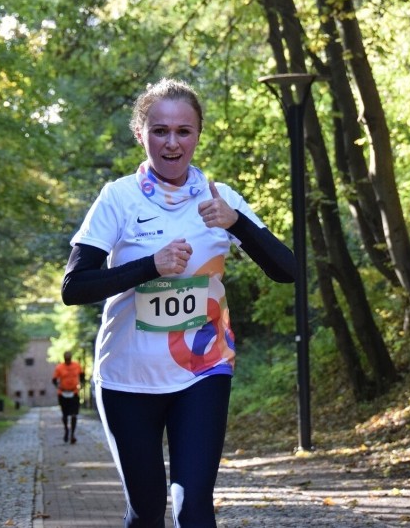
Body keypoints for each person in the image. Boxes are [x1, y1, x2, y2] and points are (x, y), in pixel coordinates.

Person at [61, 77, 295, 528]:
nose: (172, 143)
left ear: (198, 134)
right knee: (147, 511)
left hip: (203, 371)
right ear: (141, 134)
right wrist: (151, 265)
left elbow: (287, 270)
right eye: (160, 131)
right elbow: (75, 287)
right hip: (128, 377)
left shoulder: (221, 198)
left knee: (194, 508)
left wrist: (239, 224)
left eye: (183, 131)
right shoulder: (118, 199)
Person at [52, 350, 85, 444]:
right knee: (65, 415)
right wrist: (58, 387)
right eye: (66, 359)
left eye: (69, 359)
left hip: (74, 392)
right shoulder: (59, 367)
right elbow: (54, 380)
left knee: (74, 415)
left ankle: (72, 434)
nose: (68, 360)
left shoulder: (76, 365)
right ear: (64, 359)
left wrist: (81, 384)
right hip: (63, 394)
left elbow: (82, 375)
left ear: (71, 358)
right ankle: (66, 430)